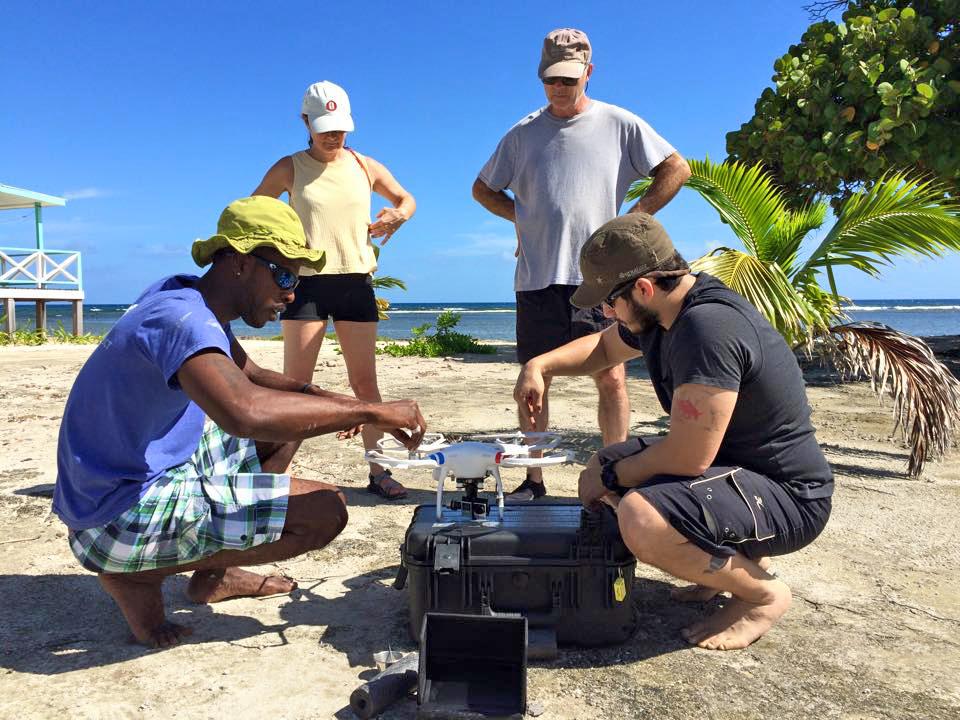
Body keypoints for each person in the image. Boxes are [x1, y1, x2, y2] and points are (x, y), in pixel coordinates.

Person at [52, 196, 426, 648]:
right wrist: (369, 410)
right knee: (326, 511)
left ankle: (214, 575)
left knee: (287, 431)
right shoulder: (182, 319)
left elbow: (250, 375)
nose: (291, 295)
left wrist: (335, 400)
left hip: (117, 481)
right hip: (112, 517)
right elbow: (244, 411)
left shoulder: (187, 296)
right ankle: (136, 575)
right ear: (241, 263)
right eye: (285, 276)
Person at [513, 213, 833, 650]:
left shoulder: (706, 329)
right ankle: (716, 570)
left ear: (643, 288)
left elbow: (688, 458)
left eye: (609, 303)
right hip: (735, 471)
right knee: (606, 461)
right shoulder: (666, 314)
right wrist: (540, 365)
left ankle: (762, 596)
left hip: (791, 497)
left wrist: (611, 480)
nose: (606, 314)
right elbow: (605, 347)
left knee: (639, 514)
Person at [472, 28, 691, 501]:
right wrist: (521, 219)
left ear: (588, 73)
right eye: (551, 79)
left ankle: (615, 477)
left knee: (611, 376)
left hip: (601, 280)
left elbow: (676, 168)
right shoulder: (522, 133)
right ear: (541, 76)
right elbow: (482, 187)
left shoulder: (619, 123)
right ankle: (534, 481)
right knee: (535, 374)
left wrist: (636, 218)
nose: (559, 88)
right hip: (536, 276)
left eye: (569, 79)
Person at [253, 80, 417, 500]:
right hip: (305, 285)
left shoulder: (364, 165)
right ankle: (271, 473)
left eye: (340, 127)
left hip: (355, 282)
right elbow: (254, 214)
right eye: (325, 126)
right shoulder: (288, 167)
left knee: (365, 384)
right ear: (305, 122)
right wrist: (274, 257)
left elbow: (406, 199)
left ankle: (380, 472)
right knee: (294, 385)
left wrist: (397, 216)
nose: (333, 135)